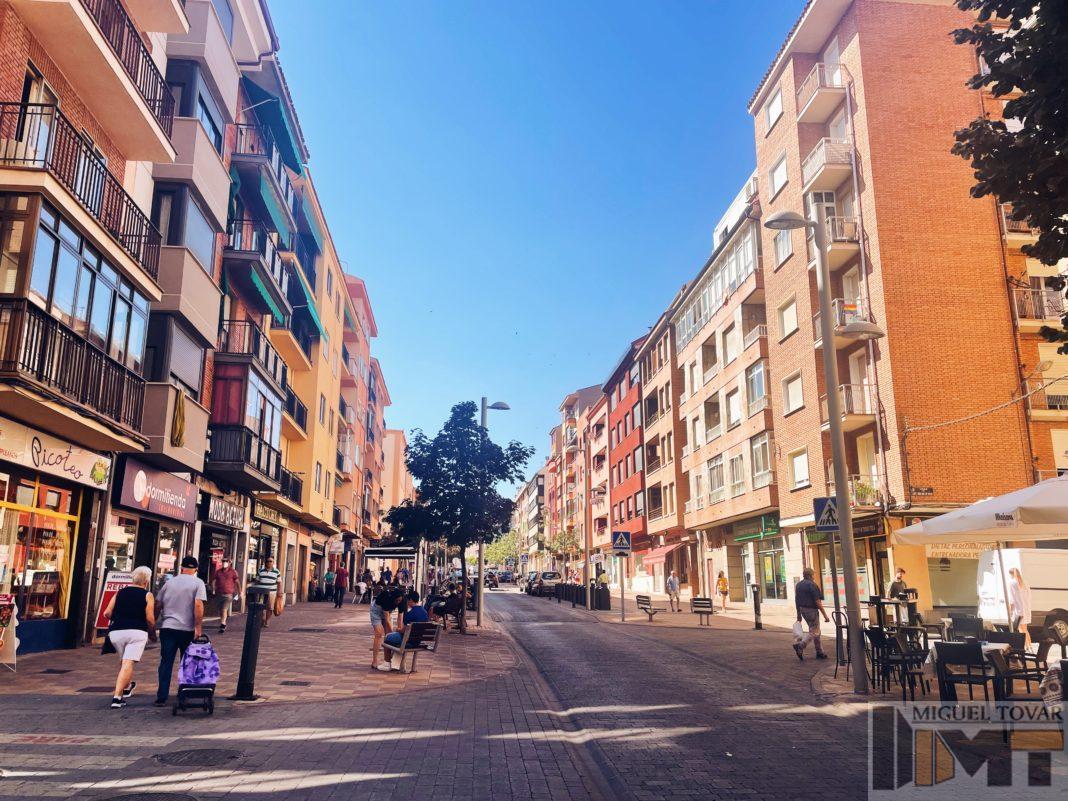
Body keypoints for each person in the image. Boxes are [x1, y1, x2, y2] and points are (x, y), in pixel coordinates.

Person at [154, 556, 206, 706]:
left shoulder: (169, 583)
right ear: (195, 569)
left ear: (181, 568)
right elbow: (198, 605)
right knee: (187, 662)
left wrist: (153, 624)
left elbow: (158, 604)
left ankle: (162, 696)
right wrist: (198, 627)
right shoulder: (198, 583)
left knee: (166, 662)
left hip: (168, 628)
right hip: (187, 629)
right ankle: (183, 693)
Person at [102, 565, 155, 709]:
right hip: (137, 632)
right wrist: (152, 631)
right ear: (146, 581)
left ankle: (127, 686)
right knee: (127, 663)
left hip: (117, 633)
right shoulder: (147, 595)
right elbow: (150, 618)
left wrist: (120, 618)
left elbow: (107, 613)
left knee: (124, 661)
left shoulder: (119, 593)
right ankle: (117, 697)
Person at [381, 591, 431, 671]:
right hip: (418, 641)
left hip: (408, 641)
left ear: (410, 600)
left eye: (408, 600)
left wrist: (398, 629)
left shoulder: (409, 614)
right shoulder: (425, 612)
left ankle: (387, 664)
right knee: (399, 640)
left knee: (388, 637)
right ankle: (396, 664)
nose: (407, 602)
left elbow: (404, 630)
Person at [793, 568, 830, 661]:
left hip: (802, 610)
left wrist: (798, 614)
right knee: (815, 631)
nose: (814, 577)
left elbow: (796, 600)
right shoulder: (812, 585)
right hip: (811, 610)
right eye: (813, 575)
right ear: (810, 575)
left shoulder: (799, 585)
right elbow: (817, 602)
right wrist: (825, 615)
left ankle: (819, 652)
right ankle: (800, 646)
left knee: (814, 630)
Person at [370, 583, 405, 671]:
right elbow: (387, 619)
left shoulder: (403, 601)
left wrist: (399, 631)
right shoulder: (386, 598)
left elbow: (400, 618)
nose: (398, 602)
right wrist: (392, 633)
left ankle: (388, 661)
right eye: (397, 600)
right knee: (379, 634)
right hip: (376, 611)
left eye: (399, 600)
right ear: (393, 598)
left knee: (389, 636)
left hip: (388, 612)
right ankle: (375, 661)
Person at [212, 557, 240, 633]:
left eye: (226, 561)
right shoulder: (218, 572)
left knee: (224, 609)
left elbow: (237, 582)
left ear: (229, 563)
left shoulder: (233, 572)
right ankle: (223, 621)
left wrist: (239, 592)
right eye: (223, 561)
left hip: (228, 595)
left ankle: (223, 623)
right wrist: (213, 589)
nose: (224, 563)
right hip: (219, 593)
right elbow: (214, 581)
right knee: (220, 610)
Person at [255, 557, 281, 628]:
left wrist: (279, 592)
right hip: (262, 592)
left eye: (270, 561)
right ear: (265, 562)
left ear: (273, 563)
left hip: (271, 592)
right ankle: (262, 619)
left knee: (269, 607)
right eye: (267, 561)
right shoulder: (260, 571)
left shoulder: (277, 571)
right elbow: (257, 581)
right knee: (261, 607)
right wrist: (256, 590)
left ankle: (267, 621)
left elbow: (279, 582)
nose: (269, 563)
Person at [1008, 567, 1032, 642]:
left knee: (1022, 630)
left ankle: (1026, 646)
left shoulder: (1012, 583)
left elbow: (1012, 599)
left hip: (1018, 611)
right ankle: (1029, 646)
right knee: (1025, 630)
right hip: (1026, 609)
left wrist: (1010, 611)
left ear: (1012, 574)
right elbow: (1029, 596)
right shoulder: (1025, 582)